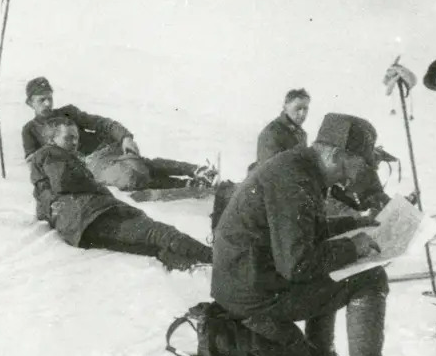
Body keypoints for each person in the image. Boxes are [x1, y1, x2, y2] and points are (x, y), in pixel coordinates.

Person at [211, 112, 393, 356]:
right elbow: (298, 265)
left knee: (337, 257)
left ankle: (321, 352)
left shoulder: (299, 167)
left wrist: (353, 225)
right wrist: (353, 247)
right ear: (335, 155)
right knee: (370, 276)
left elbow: (302, 231)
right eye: (359, 163)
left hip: (247, 281)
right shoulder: (295, 180)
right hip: (254, 296)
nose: (361, 172)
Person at [28, 115, 214, 271]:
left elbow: (44, 205)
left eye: (76, 137)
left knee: (149, 246)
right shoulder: (52, 154)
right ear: (52, 140)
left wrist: (56, 212)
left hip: (79, 229)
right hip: (93, 216)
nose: (75, 143)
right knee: (159, 233)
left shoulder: (46, 165)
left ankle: (191, 264)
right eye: (68, 138)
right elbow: (62, 182)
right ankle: (217, 259)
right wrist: (94, 187)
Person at [21, 76, 216, 192]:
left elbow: (103, 124)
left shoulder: (68, 112)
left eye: (49, 99)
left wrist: (125, 137)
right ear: (30, 103)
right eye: (41, 100)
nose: (47, 104)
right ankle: (189, 185)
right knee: (130, 178)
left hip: (106, 149)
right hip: (87, 165)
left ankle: (197, 171)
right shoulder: (30, 130)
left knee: (139, 163)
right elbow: (34, 161)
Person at [255, 88, 310, 167]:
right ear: (285, 108)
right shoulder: (272, 133)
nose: (302, 114)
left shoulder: (301, 134)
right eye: (298, 108)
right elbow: (270, 170)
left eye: (305, 109)